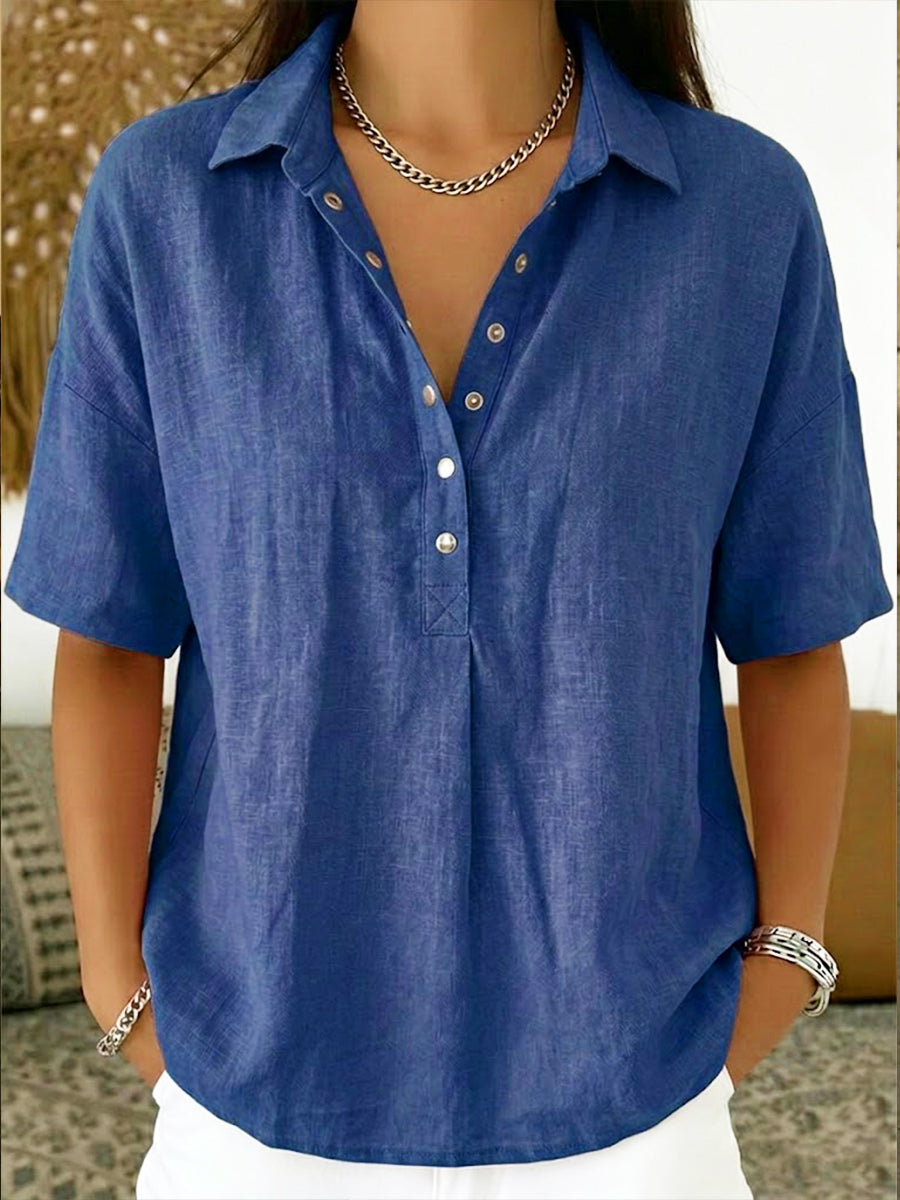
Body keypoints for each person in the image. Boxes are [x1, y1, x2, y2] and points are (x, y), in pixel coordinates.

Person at [3, 0, 892, 1197]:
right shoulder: (167, 202)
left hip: (643, 1112)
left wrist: (785, 964)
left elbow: (793, 633)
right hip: (244, 1109)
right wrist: (120, 994)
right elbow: (109, 638)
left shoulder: (741, 214)